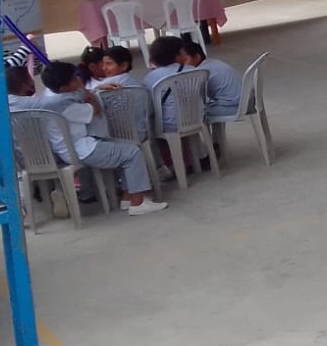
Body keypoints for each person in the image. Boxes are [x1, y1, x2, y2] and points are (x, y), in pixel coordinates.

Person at [28, 61, 168, 215]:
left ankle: (128, 197)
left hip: (72, 147)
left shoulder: (50, 96)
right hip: (82, 150)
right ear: (64, 88)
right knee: (132, 153)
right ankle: (137, 203)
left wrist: (94, 89)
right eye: (74, 79)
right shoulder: (68, 107)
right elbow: (96, 110)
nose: (79, 80)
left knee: (126, 147)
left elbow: (76, 96)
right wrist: (87, 93)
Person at [178, 39, 241, 121]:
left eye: (185, 60)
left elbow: (194, 96)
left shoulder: (201, 71)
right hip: (245, 102)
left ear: (197, 57)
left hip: (233, 107)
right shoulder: (212, 62)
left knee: (195, 112)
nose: (182, 65)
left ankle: (206, 130)